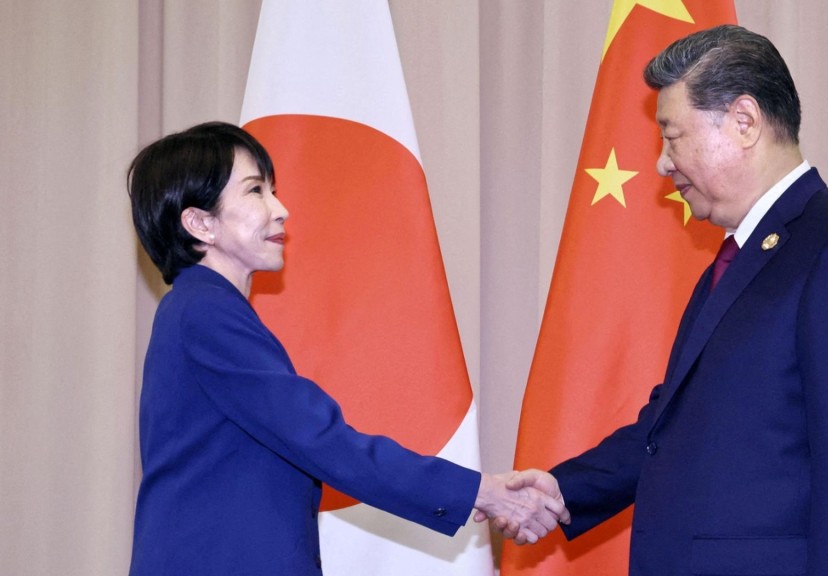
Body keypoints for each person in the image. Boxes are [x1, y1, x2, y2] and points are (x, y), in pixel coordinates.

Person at [505, 25, 828, 575]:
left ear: (744, 122)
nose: (661, 163)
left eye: (672, 136)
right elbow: (670, 428)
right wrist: (563, 490)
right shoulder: (736, 261)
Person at [126, 121, 568, 576]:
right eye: (256, 191)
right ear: (200, 223)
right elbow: (319, 438)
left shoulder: (199, 309)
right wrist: (483, 492)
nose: (281, 210)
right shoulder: (204, 312)